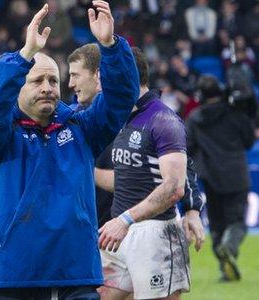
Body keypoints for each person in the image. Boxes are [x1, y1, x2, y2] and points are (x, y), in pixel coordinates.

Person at [0, 1, 139, 298]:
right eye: (36, 80)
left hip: (76, 274)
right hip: (16, 277)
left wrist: (110, 46)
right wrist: (24, 55)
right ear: (17, 88)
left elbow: (123, 97)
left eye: (52, 80)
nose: (47, 87)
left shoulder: (82, 128)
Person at [68, 44, 205, 243]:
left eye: (76, 75)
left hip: (130, 229)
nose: (70, 83)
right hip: (91, 229)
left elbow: (183, 167)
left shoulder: (141, 118)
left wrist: (192, 209)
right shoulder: (75, 117)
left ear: (99, 74)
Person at [96, 47, 192, 299]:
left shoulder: (163, 120)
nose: (102, 83)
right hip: (119, 233)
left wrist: (125, 220)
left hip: (155, 235)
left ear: (126, 77)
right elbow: (125, 179)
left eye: (107, 76)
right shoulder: (124, 118)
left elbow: (173, 187)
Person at [186, 75, 256, 282]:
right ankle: (229, 247)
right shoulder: (236, 113)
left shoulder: (195, 118)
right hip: (236, 174)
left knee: (216, 225)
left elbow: (188, 146)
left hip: (210, 176)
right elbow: (249, 141)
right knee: (237, 222)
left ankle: (225, 267)